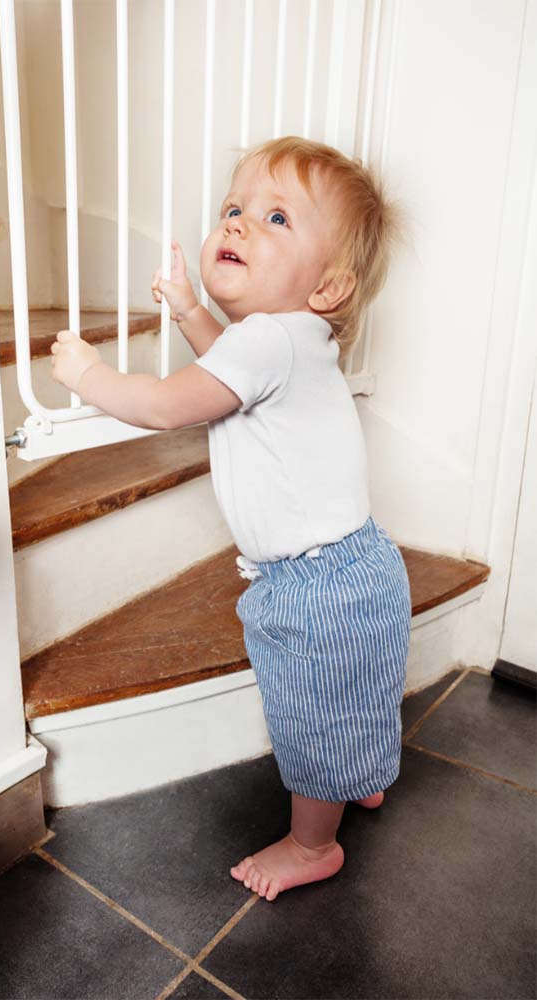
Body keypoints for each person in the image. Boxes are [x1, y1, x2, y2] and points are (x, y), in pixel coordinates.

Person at [50, 135, 411, 903]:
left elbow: (168, 403)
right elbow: (228, 371)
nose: (240, 224)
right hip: (359, 568)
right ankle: (362, 776)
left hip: (316, 590)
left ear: (328, 288)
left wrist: (91, 375)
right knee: (357, 690)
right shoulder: (288, 342)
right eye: (234, 209)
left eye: (277, 218)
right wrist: (188, 308)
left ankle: (314, 843)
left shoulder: (269, 343)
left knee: (313, 715)